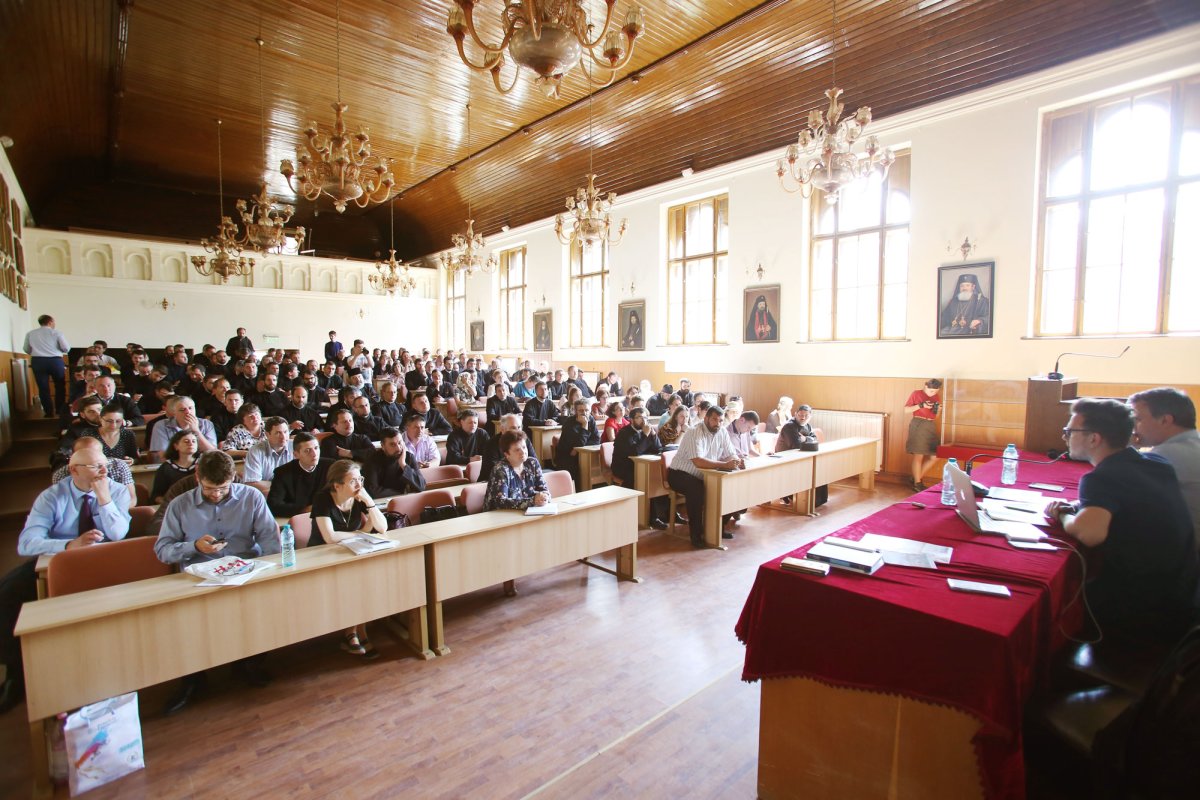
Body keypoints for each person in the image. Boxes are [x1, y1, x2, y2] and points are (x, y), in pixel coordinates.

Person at [1046, 399, 1198, 647]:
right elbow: (1129, 500)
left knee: (1056, 600)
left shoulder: (1102, 477)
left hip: (1142, 609)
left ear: (1094, 438)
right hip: (1181, 593)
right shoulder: (1156, 464)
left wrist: (1062, 515)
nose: (1065, 438)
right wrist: (1080, 506)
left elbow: (1090, 533)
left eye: (1070, 432)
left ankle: (1051, 667)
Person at [0, 448, 133, 713]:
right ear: (74, 470)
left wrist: (104, 499)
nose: (103, 471)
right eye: (95, 467)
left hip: (104, 560)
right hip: (59, 560)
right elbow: (27, 543)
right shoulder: (52, 497)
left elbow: (118, 534)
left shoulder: (115, 490)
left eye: (104, 465)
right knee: (8, 595)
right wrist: (69, 544)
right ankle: (17, 673)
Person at [155, 451, 279, 713]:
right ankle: (193, 678)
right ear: (198, 477)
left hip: (245, 569)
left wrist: (270, 570)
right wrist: (192, 546)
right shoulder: (180, 505)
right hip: (199, 576)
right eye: (210, 488)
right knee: (191, 626)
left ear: (234, 478)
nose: (216, 494)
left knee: (257, 614)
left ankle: (247, 663)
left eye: (222, 488)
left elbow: (270, 539)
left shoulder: (251, 497)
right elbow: (162, 549)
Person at [309, 459, 389, 659]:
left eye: (360, 479)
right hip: (321, 555)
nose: (359, 485)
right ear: (337, 485)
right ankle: (355, 633)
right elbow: (330, 537)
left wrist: (369, 501)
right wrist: (361, 533)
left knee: (365, 581)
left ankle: (355, 632)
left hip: (351, 552)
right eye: (353, 481)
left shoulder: (359, 496)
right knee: (353, 584)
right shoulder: (323, 498)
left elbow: (382, 527)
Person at [1128, 387, 1200, 550]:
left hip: (1186, 559)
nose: (1134, 428)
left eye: (1138, 420)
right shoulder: (1192, 444)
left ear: (1165, 420)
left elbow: (1116, 493)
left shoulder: (1167, 455)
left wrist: (1121, 445)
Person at [668, 405, 744, 546]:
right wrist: (724, 465)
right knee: (696, 489)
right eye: (715, 420)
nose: (718, 423)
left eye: (721, 420)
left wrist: (736, 461)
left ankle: (718, 528)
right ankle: (696, 535)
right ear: (707, 418)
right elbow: (698, 461)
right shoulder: (694, 432)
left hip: (706, 474)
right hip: (680, 473)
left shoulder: (722, 431)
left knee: (729, 486)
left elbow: (730, 452)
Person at [612, 408, 668, 528]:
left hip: (640, 465)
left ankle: (656, 516)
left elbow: (658, 448)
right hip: (624, 466)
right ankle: (637, 515)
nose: (643, 420)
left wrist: (652, 435)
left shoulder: (646, 430)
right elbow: (634, 452)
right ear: (631, 420)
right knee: (642, 478)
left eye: (645, 417)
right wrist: (645, 435)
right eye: (640, 417)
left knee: (653, 477)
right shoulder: (624, 433)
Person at [268, 433, 333, 518]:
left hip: (327, 516)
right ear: (296, 455)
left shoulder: (331, 466)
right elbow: (273, 506)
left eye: (316, 448)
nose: (314, 454)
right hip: (297, 518)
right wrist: (306, 509)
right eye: (307, 450)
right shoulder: (282, 472)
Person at [484, 430, 551, 511]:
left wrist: (544, 497)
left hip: (527, 512)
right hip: (500, 516)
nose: (523, 452)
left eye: (524, 447)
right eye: (517, 450)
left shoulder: (532, 463)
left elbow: (544, 489)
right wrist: (532, 501)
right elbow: (500, 502)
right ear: (507, 454)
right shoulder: (500, 469)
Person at [23, 314, 70, 417]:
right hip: (55, 361)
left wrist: (38, 351)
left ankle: (48, 412)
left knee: (43, 387)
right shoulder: (57, 333)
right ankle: (59, 410)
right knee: (60, 386)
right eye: (53, 322)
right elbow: (66, 348)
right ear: (50, 322)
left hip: (38, 361)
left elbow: (26, 349)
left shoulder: (31, 333)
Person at [362, 428, 427, 497]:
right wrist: (400, 494)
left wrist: (403, 465)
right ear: (383, 446)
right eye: (392, 444)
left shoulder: (409, 457)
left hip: (401, 499)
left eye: (400, 442)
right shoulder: (372, 460)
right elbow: (372, 490)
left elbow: (421, 486)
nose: (398, 448)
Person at [904, 378, 942, 491]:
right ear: (925, 386)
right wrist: (921, 406)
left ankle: (916, 477)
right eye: (931, 391)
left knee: (936, 456)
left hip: (930, 425)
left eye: (935, 391)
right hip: (918, 423)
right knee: (918, 455)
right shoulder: (916, 393)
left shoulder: (936, 396)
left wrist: (938, 410)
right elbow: (906, 410)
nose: (933, 394)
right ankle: (917, 483)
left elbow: (935, 417)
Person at [150, 395, 219, 454]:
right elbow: (161, 455)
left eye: (190, 408)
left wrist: (196, 431)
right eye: (182, 410)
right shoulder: (161, 426)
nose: (188, 412)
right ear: (174, 413)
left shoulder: (206, 424)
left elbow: (212, 453)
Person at [556, 400, 600, 490]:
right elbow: (578, 444)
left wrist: (577, 449)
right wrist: (584, 425)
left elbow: (597, 440)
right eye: (581, 410)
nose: (584, 413)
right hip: (567, 457)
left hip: (578, 453)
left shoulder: (591, 419)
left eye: (587, 410)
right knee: (579, 473)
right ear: (575, 411)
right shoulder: (569, 423)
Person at [243, 416, 293, 489]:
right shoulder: (255, 451)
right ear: (267, 434)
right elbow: (252, 483)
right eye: (278, 433)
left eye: (285, 432)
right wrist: (284, 486)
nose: (283, 437)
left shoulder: (296, 446)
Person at [151, 429, 199, 503]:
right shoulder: (166, 467)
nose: (190, 444)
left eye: (194, 441)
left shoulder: (203, 464)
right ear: (176, 446)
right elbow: (156, 495)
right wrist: (171, 504)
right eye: (186, 441)